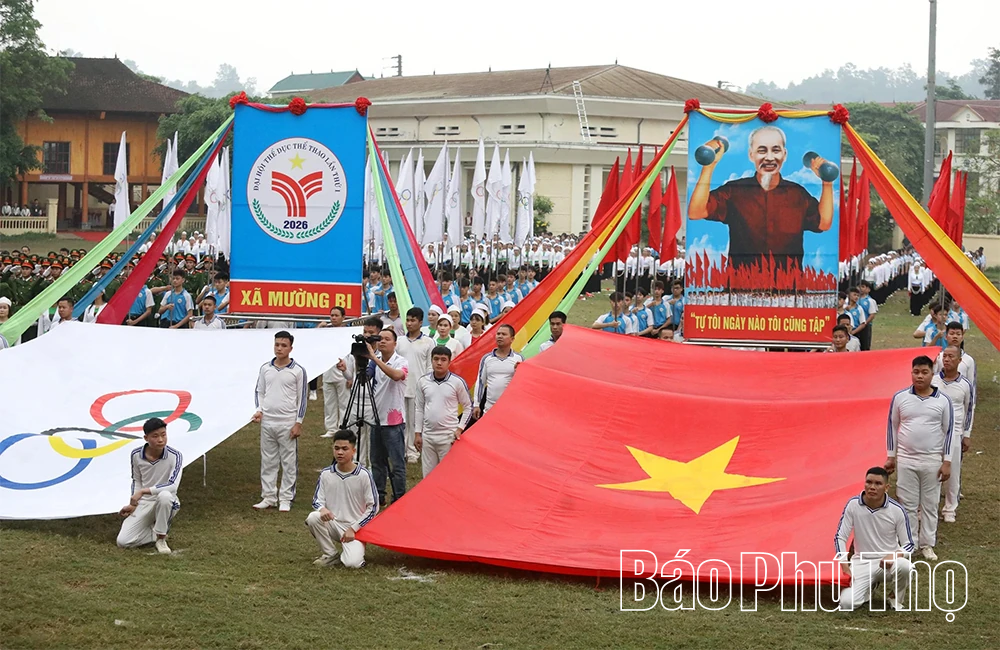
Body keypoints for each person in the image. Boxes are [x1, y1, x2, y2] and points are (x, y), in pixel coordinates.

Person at [689, 125, 834, 271]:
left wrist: (827, 183)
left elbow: (823, 223)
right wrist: (709, 166)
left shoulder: (797, 194)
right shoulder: (734, 191)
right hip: (742, 287)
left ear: (784, 155)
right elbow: (696, 211)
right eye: (762, 150)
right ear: (751, 155)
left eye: (776, 150)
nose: (769, 158)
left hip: (788, 288)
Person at [885, 356, 953, 561]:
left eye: (924, 372)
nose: (920, 376)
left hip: (932, 460)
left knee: (930, 504)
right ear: (911, 373)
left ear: (932, 374)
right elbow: (892, 426)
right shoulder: (900, 397)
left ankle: (927, 544)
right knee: (907, 503)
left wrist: (947, 461)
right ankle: (909, 544)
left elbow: (948, 431)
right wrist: (891, 456)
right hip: (906, 459)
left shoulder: (943, 400)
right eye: (916, 372)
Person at [834, 467, 914, 611]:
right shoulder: (853, 505)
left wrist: (894, 555)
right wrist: (844, 564)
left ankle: (895, 598)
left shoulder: (897, 510)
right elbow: (840, 537)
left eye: (878, 484)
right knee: (846, 604)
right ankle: (869, 588)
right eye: (869, 482)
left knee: (904, 566)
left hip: (888, 563)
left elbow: (909, 545)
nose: (872, 487)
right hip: (861, 562)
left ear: (886, 487)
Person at [305, 430, 378, 568]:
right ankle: (330, 554)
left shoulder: (364, 475)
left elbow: (373, 507)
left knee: (352, 564)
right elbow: (317, 500)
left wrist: (354, 528)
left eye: (345, 449)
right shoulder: (326, 473)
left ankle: (353, 552)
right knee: (313, 517)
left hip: (355, 528)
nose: (340, 452)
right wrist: (322, 509)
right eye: (337, 448)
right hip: (334, 523)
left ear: (353, 451)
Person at [252, 331, 308, 512]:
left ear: (291, 348)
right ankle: (268, 496)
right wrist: (259, 410)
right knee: (268, 461)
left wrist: (298, 422)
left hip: (287, 422)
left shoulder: (298, 370)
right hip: (268, 422)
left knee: (288, 462)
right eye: (277, 344)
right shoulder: (265, 368)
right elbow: (259, 391)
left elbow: (302, 398)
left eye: (284, 345)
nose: (279, 348)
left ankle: (286, 498)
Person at [117, 417, 183, 555]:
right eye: (155, 436)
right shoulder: (136, 455)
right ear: (146, 438)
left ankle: (161, 538)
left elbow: (172, 486)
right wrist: (133, 504)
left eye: (163, 435)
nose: (161, 440)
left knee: (164, 496)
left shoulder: (175, 455)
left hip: (168, 500)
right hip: (145, 502)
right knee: (123, 541)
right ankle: (155, 531)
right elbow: (137, 480)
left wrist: (144, 491)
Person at [365, 328, 409, 507]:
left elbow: (397, 376)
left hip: (394, 421)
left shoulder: (401, 361)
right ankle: (379, 496)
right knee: (377, 462)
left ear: (395, 343)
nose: (382, 342)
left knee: (396, 463)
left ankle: (399, 497)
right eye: (380, 339)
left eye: (387, 339)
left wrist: (374, 359)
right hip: (376, 418)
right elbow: (363, 380)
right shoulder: (374, 363)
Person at [931, 346, 974, 523]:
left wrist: (967, 433)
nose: (947, 359)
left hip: (955, 432)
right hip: (934, 431)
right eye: (944, 356)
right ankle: (928, 506)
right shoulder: (933, 381)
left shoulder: (965, 385)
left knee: (953, 470)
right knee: (932, 469)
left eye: (951, 356)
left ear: (959, 361)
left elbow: (969, 408)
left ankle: (950, 508)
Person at [415, 346, 473, 476]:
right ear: (431, 361)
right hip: (428, 436)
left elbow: (468, 406)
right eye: (436, 359)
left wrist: (459, 428)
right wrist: (417, 433)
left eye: (443, 359)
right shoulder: (423, 381)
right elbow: (419, 407)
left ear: (449, 362)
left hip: (448, 436)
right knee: (428, 476)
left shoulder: (457, 382)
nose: (439, 363)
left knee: (448, 474)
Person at [395, 307, 433, 463]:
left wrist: (427, 385)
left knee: (414, 421)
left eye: (413, 320)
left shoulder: (428, 342)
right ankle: (400, 449)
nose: (409, 323)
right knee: (400, 421)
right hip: (400, 386)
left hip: (418, 386)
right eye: (407, 320)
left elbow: (430, 365)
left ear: (420, 322)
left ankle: (412, 451)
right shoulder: (399, 341)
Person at [473, 324, 523, 420]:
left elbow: (522, 383)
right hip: (489, 408)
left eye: (504, 334)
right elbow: (480, 382)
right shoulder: (486, 358)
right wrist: (476, 404)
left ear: (512, 339)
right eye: (498, 334)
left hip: (511, 409)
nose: (500, 336)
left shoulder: (519, 358)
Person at [319, 306, 349, 439]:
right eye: (332, 315)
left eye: (336, 315)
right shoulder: (325, 332)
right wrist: (319, 329)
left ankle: (343, 427)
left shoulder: (348, 333)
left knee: (344, 403)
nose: (334, 318)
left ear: (343, 317)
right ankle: (331, 428)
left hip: (343, 373)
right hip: (328, 372)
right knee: (329, 403)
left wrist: (349, 375)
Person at [857, 280, 878, 350]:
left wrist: (864, 323)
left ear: (868, 289)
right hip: (855, 325)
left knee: (865, 345)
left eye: (863, 287)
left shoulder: (870, 301)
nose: (860, 289)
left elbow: (872, 314)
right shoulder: (853, 299)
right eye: (859, 286)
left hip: (865, 326)